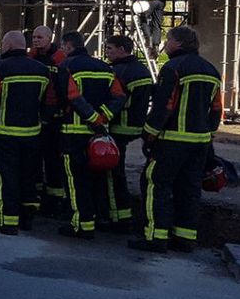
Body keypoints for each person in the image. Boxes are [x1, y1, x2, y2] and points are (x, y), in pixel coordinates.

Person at [131, 26, 222, 253]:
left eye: (168, 39)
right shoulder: (211, 69)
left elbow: (164, 105)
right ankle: (185, 238)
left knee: (156, 184)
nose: (165, 43)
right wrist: (208, 136)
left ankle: (156, 237)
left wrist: (149, 135)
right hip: (200, 142)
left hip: (172, 141)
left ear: (178, 44)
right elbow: (217, 108)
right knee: (189, 188)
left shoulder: (173, 68)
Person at [0, 31, 56, 235]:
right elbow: (50, 100)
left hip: (3, 134)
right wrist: (44, 121)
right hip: (32, 133)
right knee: (28, 176)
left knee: (6, 177)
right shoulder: (42, 69)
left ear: (6, 46)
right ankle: (27, 218)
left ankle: (7, 222)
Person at [55, 31, 127, 239]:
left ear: (68, 46)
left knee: (76, 182)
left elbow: (71, 97)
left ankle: (81, 225)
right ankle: (97, 219)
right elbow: (119, 96)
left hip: (73, 134)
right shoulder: (105, 68)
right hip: (99, 135)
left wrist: (93, 117)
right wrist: (103, 116)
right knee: (96, 179)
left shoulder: (66, 67)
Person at [103, 35, 153, 232]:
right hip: (138, 125)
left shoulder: (120, 71)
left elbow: (117, 100)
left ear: (123, 49)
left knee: (112, 174)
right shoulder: (142, 70)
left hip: (118, 127)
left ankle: (118, 216)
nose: (107, 52)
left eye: (110, 48)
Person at [29, 25, 67, 217]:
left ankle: (54, 201)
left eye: (40, 37)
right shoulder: (31, 57)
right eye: (34, 37)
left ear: (50, 39)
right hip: (35, 115)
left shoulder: (60, 58)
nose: (36, 40)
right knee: (34, 159)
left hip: (55, 119)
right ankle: (36, 195)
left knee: (53, 160)